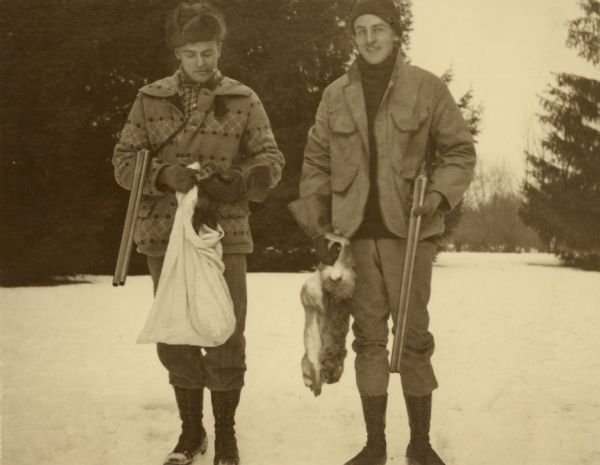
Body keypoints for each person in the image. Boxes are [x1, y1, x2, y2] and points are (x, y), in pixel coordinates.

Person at [292, 1, 476, 464]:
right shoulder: (335, 95)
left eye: (378, 29)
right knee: (368, 339)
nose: (370, 39)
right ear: (353, 38)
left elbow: (458, 151)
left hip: (409, 234)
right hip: (353, 239)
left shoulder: (427, 87)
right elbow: (315, 162)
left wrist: (437, 196)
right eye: (361, 31)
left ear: (396, 34)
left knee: (413, 337)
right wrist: (319, 225)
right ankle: (375, 446)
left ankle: (420, 443)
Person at [112, 2, 284, 464]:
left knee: (225, 330)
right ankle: (192, 434)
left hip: (223, 234)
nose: (201, 62)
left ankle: (225, 435)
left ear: (219, 49)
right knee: (176, 333)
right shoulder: (150, 99)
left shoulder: (243, 98)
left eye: (208, 52)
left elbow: (271, 159)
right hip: (164, 236)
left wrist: (243, 181)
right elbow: (124, 163)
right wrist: (163, 176)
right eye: (191, 53)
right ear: (177, 52)